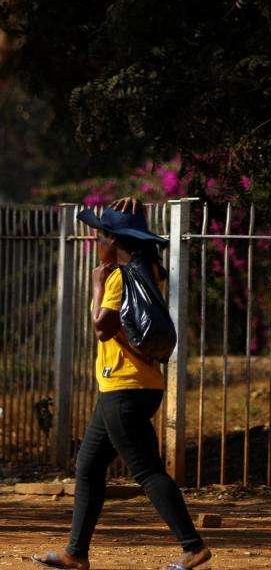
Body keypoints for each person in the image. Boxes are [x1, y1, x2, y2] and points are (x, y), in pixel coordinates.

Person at [34, 198, 211, 569]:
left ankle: (192, 545)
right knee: (88, 466)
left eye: (100, 235)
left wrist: (97, 284)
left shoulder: (117, 277)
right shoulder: (148, 271)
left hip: (123, 388)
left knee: (146, 470)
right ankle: (76, 553)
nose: (96, 240)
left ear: (113, 240)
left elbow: (102, 328)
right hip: (139, 386)